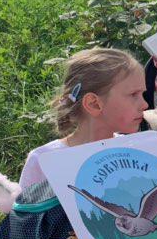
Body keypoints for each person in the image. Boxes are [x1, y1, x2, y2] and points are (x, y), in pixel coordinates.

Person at [18, 47, 147, 189]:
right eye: (134, 94)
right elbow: (27, 210)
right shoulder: (44, 160)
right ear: (94, 104)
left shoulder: (135, 150)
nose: (145, 104)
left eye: (142, 94)